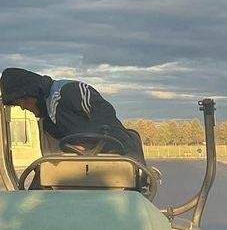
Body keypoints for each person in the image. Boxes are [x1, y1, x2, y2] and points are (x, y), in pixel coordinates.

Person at [0, 67, 145, 162]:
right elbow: (52, 162)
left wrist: (86, 144)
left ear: (31, 93)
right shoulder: (48, 121)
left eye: (21, 102)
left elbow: (105, 114)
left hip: (117, 161)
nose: (24, 108)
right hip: (80, 174)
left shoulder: (70, 91)